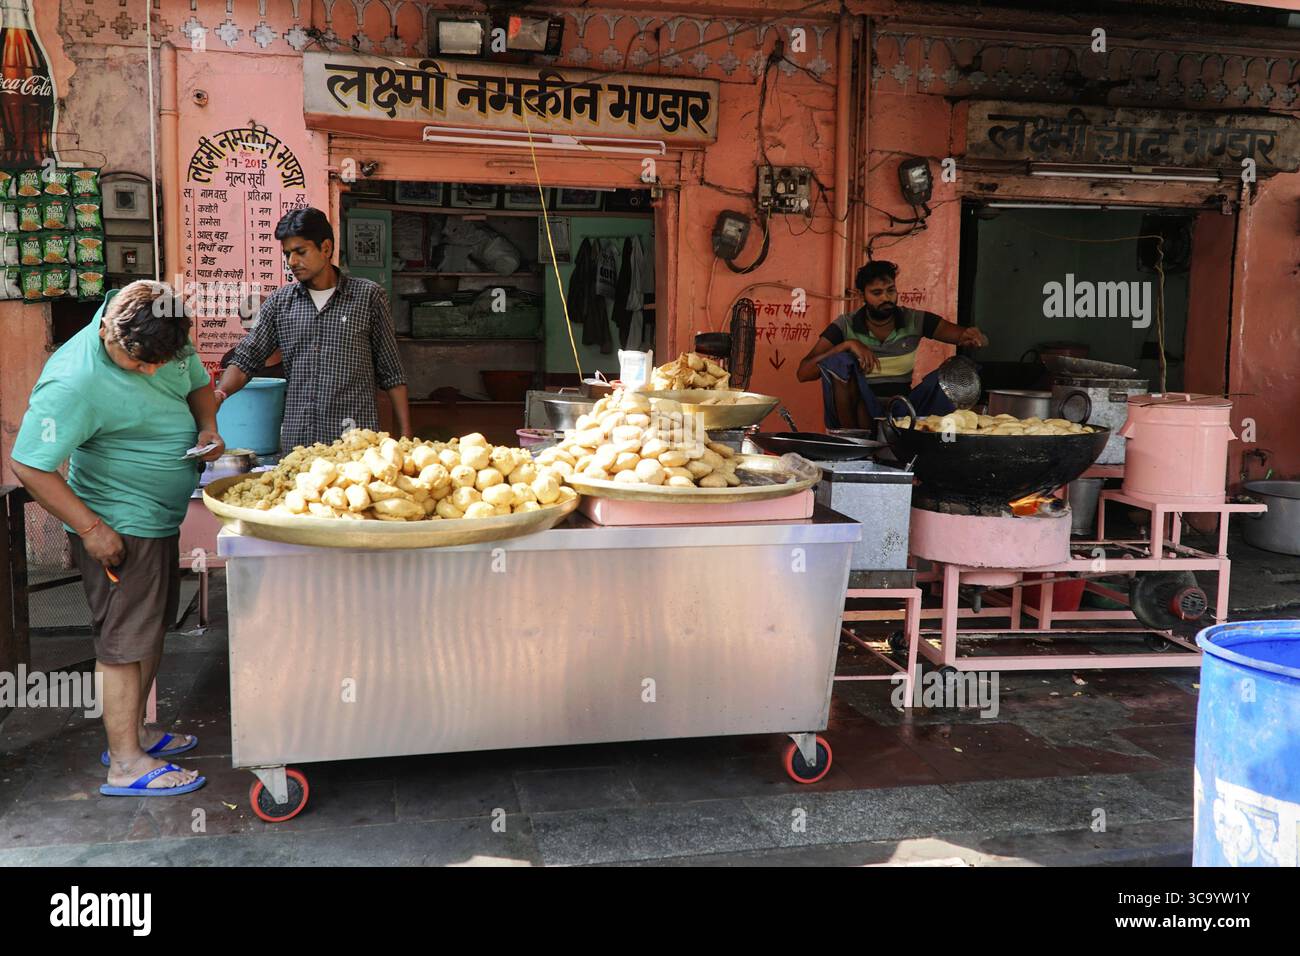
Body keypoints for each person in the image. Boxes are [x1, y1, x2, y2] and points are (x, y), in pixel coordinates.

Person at [11, 281, 223, 796]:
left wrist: (207, 427)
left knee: (146, 633)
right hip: (118, 522)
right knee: (123, 644)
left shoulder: (161, 322)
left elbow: (195, 382)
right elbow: (29, 465)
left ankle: (136, 734)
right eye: (139, 363)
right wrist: (92, 528)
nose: (153, 372)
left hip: (158, 519)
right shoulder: (72, 381)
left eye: (160, 361)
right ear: (108, 330)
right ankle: (126, 763)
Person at [215, 207, 410, 451]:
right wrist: (219, 394)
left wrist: (406, 435)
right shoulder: (279, 303)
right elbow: (246, 359)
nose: (292, 262)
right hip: (300, 445)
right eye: (287, 254)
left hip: (354, 444)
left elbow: (391, 372)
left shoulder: (368, 297)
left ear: (326, 248)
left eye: (300, 252)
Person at [796, 260, 989, 428]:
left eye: (890, 290)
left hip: (905, 408)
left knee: (956, 369)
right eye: (876, 293)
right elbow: (804, 373)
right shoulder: (845, 325)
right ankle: (853, 440)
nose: (885, 298)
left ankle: (936, 440)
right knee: (840, 361)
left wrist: (974, 337)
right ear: (862, 295)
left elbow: (965, 336)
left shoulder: (914, 319)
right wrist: (846, 345)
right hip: (862, 411)